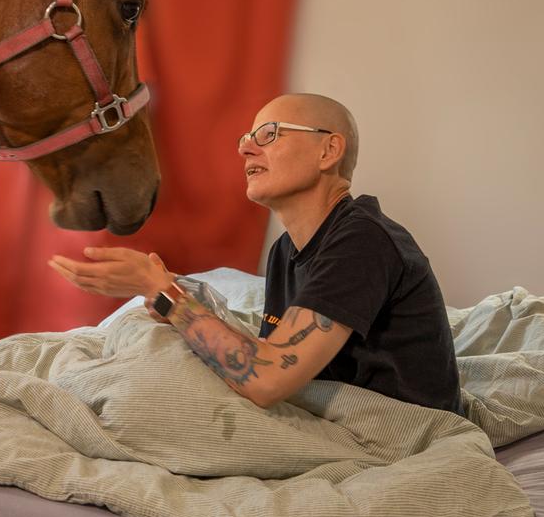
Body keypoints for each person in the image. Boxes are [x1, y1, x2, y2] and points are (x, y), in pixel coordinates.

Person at [49, 93, 463, 415]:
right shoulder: (286, 249)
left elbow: (264, 379)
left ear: (328, 151)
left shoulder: (363, 240)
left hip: (397, 430)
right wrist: (170, 298)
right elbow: (269, 355)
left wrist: (167, 295)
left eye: (269, 134)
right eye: (246, 139)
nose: (246, 149)